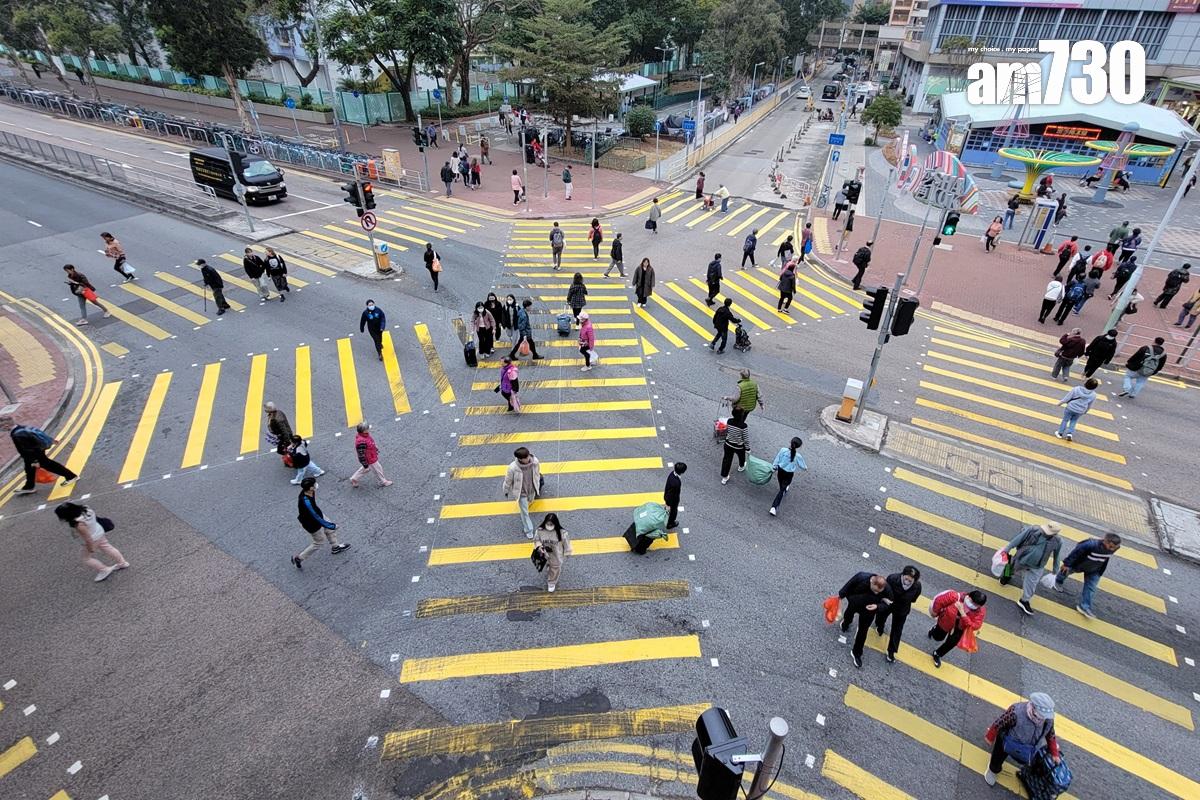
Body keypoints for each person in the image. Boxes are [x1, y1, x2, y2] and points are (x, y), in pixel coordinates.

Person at [983, 694, 1061, 788]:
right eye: (1042, 716)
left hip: (1029, 746)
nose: (1044, 718)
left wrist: (1054, 753)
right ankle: (993, 770)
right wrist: (990, 736)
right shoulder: (1016, 712)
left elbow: (1050, 734)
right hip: (1009, 740)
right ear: (1034, 708)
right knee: (998, 754)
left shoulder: (1048, 720)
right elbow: (999, 723)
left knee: (1031, 759)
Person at [54, 502, 129, 582]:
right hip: (99, 531)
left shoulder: (78, 524)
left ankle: (104, 569)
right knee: (107, 547)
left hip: (93, 538)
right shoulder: (86, 508)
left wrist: (90, 548)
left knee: (86, 558)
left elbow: (88, 538)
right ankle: (122, 563)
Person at [3, 414, 76, 495]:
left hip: (34, 454)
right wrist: (50, 439)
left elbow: (28, 449)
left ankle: (71, 476)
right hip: (36, 452)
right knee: (29, 469)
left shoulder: (17, 435)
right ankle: (29, 487)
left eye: (1, 427)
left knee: (49, 465)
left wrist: (35, 461)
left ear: (6, 425)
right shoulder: (21, 428)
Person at [1053, 533, 1122, 618]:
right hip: (1079, 564)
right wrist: (1067, 564)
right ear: (1105, 541)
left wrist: (1100, 572)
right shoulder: (1090, 544)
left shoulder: (1115, 548)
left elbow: (1105, 559)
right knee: (1065, 572)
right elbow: (1076, 552)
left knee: (1091, 588)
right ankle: (1058, 581)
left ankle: (1084, 607)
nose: (1112, 550)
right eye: (1111, 547)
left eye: (1115, 548)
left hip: (1095, 569)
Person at [1003, 522, 1062, 616]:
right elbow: (1019, 539)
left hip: (1038, 566)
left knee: (1031, 584)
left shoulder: (1058, 541)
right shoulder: (1033, 530)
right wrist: (1007, 549)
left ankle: (1024, 600)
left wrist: (1055, 570)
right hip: (1022, 558)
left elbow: (1057, 555)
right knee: (1011, 568)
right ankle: (1005, 576)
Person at [837, 572, 893, 668]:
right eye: (875, 590)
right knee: (848, 615)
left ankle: (857, 653)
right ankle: (846, 623)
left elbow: (890, 604)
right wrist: (840, 596)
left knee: (863, 631)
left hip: (869, 611)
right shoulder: (861, 577)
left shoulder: (887, 589)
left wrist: (877, 606)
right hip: (855, 603)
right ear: (872, 581)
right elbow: (849, 586)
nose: (876, 593)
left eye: (878, 592)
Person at [291, 476, 349, 569]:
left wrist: (329, 526)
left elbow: (315, 513)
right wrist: (332, 526)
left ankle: (335, 547)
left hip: (316, 514)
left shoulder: (310, 491)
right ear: (310, 488)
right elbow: (315, 516)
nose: (316, 485)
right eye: (314, 484)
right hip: (311, 523)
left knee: (329, 530)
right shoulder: (306, 501)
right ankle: (299, 558)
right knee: (319, 542)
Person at [928, 588, 987, 668]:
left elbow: (975, 626)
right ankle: (934, 629)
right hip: (946, 621)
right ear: (969, 596)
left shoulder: (980, 612)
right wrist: (935, 613)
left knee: (951, 643)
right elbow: (939, 601)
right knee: (938, 637)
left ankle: (937, 654)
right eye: (973, 602)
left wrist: (963, 614)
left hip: (960, 628)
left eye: (976, 605)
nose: (973, 605)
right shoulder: (955, 597)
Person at [875, 566, 922, 664]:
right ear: (902, 575)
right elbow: (884, 590)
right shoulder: (892, 578)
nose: (908, 581)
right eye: (906, 579)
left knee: (897, 630)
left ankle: (891, 651)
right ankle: (880, 627)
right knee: (881, 617)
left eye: (910, 580)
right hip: (889, 604)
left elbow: (913, 599)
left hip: (902, 609)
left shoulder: (917, 586)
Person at [503, 447, 542, 538]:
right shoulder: (512, 468)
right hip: (522, 493)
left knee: (529, 502)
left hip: (532, 490)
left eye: (528, 456)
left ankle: (528, 505)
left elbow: (537, 474)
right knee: (524, 512)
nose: (527, 459)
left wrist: (538, 484)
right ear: (520, 459)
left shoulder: (535, 462)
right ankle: (528, 530)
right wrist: (506, 490)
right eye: (525, 458)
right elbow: (508, 480)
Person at [534, 513, 572, 592]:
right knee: (548, 565)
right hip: (544, 554)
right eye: (547, 524)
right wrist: (539, 546)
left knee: (555, 569)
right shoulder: (540, 531)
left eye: (551, 524)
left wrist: (567, 552)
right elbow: (537, 540)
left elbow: (566, 543)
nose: (549, 526)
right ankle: (549, 567)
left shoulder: (562, 533)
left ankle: (551, 582)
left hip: (556, 555)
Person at [769, 437, 807, 517]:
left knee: (781, 485)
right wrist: (805, 468)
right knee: (782, 490)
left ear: (790, 442)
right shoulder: (798, 456)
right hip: (789, 474)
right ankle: (774, 507)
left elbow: (777, 459)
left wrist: (774, 467)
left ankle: (783, 489)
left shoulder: (783, 450)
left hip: (780, 471)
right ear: (799, 446)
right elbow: (803, 467)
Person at [1054, 377, 1098, 441]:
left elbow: (1067, 398)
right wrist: (1086, 411)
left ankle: (1060, 433)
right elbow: (1090, 405)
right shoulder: (1093, 395)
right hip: (1080, 411)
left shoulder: (1076, 389)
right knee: (1074, 421)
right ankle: (1069, 434)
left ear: (1085, 383)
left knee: (1065, 420)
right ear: (1094, 387)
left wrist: (1060, 403)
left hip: (1070, 408)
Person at [350, 422, 392, 488]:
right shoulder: (361, 442)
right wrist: (365, 464)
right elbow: (361, 454)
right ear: (363, 431)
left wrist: (375, 448)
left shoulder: (365, 435)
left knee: (366, 469)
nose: (368, 429)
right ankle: (383, 481)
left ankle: (354, 479)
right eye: (367, 428)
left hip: (371, 456)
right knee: (378, 469)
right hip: (370, 458)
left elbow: (370, 443)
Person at [720, 414, 749, 484]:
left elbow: (726, 431)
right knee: (741, 456)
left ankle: (724, 477)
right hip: (738, 446)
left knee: (726, 460)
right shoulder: (743, 426)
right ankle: (741, 466)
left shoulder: (729, 421)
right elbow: (745, 439)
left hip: (728, 444)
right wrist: (748, 448)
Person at [663, 462, 686, 529]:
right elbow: (671, 495)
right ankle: (670, 524)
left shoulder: (672, 474)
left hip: (668, 496)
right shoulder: (676, 483)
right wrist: (668, 504)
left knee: (669, 511)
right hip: (672, 501)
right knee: (673, 512)